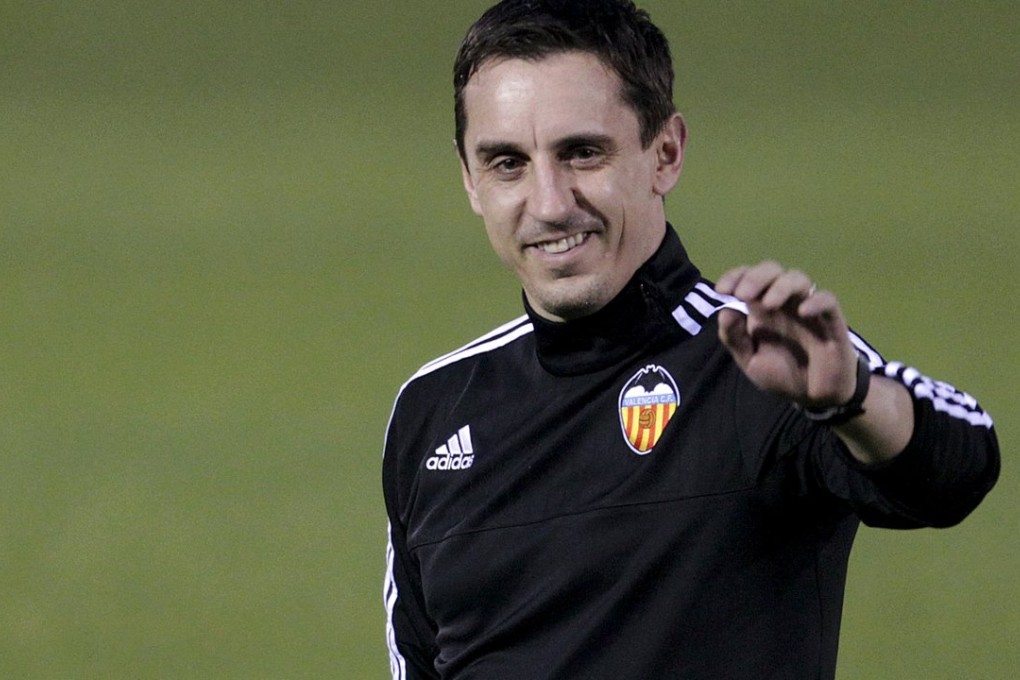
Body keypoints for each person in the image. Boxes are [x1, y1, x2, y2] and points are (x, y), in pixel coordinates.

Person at [381, 1, 1000, 678]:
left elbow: (960, 467)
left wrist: (847, 398)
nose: (550, 202)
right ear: (470, 179)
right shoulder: (434, 411)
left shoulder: (765, 361)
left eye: (582, 153)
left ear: (665, 153)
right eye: (507, 163)